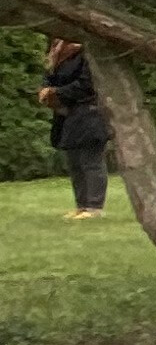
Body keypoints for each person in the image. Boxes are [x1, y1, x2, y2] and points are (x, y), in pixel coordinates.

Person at [39, 37, 111, 216]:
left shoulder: (86, 53)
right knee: (75, 163)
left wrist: (57, 92)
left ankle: (94, 207)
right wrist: (46, 90)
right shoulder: (57, 51)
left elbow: (87, 84)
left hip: (89, 111)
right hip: (67, 114)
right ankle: (81, 206)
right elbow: (50, 77)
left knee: (91, 161)